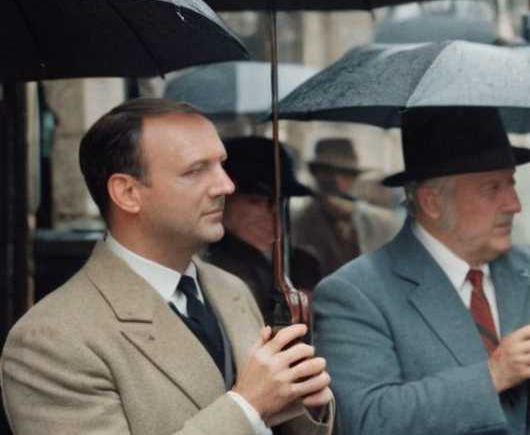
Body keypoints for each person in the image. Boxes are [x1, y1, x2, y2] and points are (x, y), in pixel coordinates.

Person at [0, 98, 333, 435]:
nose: (225, 186)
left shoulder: (229, 289)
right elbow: (251, 407)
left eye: (221, 164)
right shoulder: (52, 342)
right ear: (128, 192)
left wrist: (307, 403)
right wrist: (247, 407)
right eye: (196, 170)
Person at [313, 106, 530, 435]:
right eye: (492, 189)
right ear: (432, 201)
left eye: (511, 184)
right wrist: (493, 375)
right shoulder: (355, 293)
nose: (514, 204)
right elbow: (366, 420)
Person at [206, 136, 323, 323]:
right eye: (256, 201)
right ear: (223, 200)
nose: (274, 214)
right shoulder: (207, 268)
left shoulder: (303, 264)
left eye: (280, 202)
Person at [292, 136, 401, 277]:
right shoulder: (299, 223)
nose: (337, 183)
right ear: (316, 175)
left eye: (345, 175)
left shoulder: (382, 222)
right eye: (328, 174)